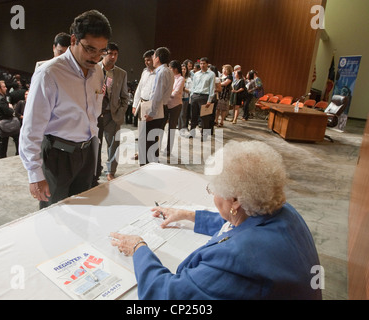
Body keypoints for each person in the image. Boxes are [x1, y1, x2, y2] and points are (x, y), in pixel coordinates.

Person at [110, 140, 322, 300]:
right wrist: (188, 215)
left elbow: (165, 294)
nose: (213, 195)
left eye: (214, 189)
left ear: (236, 200)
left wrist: (139, 248)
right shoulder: (284, 212)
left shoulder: (237, 260)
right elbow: (241, 225)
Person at [19, 10, 112, 209]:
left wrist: (93, 150)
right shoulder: (50, 74)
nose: (95, 57)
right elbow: (31, 128)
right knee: (54, 215)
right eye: (89, 49)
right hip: (57, 156)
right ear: (73, 40)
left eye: (101, 51)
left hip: (86, 155)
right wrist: (34, 173)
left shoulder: (97, 72)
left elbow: (93, 115)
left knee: (83, 210)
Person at [93, 42, 128, 185]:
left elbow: (125, 96)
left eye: (115, 54)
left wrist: (120, 112)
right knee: (94, 144)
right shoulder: (94, 69)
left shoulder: (121, 73)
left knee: (113, 145)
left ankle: (110, 172)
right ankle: (94, 171)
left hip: (112, 115)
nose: (113, 57)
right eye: (110, 54)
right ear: (103, 53)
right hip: (95, 114)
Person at [135, 47, 174, 165]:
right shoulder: (168, 71)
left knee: (148, 140)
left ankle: (145, 167)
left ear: (157, 58)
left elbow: (156, 95)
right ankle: (151, 164)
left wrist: (151, 113)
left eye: (153, 56)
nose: (152, 59)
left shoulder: (161, 72)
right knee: (152, 140)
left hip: (156, 109)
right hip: (159, 108)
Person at [132, 49, 156, 162]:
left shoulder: (159, 73)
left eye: (149, 60)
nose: (147, 62)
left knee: (152, 132)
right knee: (141, 131)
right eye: (145, 60)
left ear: (154, 59)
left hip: (153, 105)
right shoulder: (145, 72)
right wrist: (135, 104)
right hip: (142, 103)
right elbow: (139, 88)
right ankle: (140, 152)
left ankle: (151, 155)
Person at [0, 80, 19, 158]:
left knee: (2, 142)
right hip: (4, 124)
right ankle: (18, 154)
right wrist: (11, 108)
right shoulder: (1, 99)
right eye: (4, 87)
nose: (6, 88)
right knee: (16, 138)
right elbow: (7, 112)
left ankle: (1, 158)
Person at [161, 60, 184, 156]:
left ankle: (168, 149)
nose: (169, 70)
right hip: (166, 105)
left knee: (171, 128)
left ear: (175, 69)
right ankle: (158, 146)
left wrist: (167, 93)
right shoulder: (169, 77)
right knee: (161, 126)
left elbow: (175, 93)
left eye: (170, 68)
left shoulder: (181, 79)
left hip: (175, 105)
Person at [189, 57, 215, 140]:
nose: (202, 65)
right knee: (193, 116)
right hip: (195, 96)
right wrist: (191, 96)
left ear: (207, 64)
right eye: (201, 63)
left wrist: (209, 100)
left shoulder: (211, 74)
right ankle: (192, 133)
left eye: (204, 63)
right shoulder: (196, 74)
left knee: (204, 117)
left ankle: (204, 135)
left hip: (205, 96)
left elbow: (212, 88)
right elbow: (193, 86)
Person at [178, 62, 192, 135]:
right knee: (178, 114)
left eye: (184, 69)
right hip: (177, 98)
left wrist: (183, 88)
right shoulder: (177, 78)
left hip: (185, 98)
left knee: (183, 114)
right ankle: (179, 127)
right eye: (182, 69)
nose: (183, 70)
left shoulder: (189, 79)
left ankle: (183, 128)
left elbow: (190, 90)